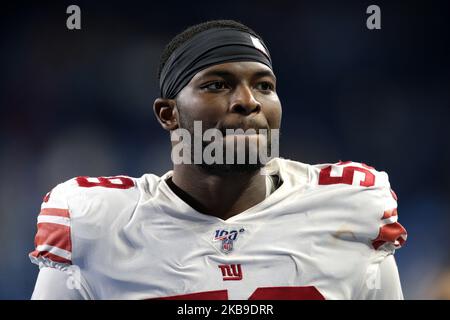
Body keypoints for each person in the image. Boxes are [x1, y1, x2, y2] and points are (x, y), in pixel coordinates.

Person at [29, 19, 407, 300]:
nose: (249, 100)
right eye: (217, 84)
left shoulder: (347, 207)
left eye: (265, 85)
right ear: (168, 114)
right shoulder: (99, 224)